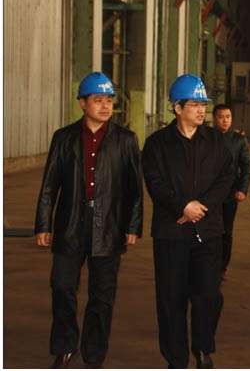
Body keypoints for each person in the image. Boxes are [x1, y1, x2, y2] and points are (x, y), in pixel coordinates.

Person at [35, 72, 143, 368]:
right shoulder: (64, 138)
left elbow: (135, 188)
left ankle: (94, 353)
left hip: (108, 225)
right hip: (70, 223)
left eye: (109, 100)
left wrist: (133, 225)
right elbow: (49, 185)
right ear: (82, 103)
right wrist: (43, 223)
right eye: (98, 100)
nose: (105, 106)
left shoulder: (126, 140)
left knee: (102, 295)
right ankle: (65, 345)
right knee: (62, 286)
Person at [142, 74, 233, 369]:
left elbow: (226, 178)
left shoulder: (217, 142)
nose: (201, 110)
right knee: (171, 300)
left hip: (208, 232)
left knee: (209, 295)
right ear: (177, 108)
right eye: (194, 104)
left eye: (203, 104)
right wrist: (182, 206)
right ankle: (176, 358)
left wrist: (200, 207)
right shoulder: (157, 144)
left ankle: (203, 349)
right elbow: (155, 182)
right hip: (171, 233)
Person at [212, 104, 250, 278]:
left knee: (226, 231)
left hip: (229, 194)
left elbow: (246, 166)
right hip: (208, 194)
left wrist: (242, 189)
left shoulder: (238, 140)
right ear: (214, 118)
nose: (225, 120)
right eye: (221, 117)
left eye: (228, 117)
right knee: (207, 230)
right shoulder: (206, 137)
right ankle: (207, 265)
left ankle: (222, 267)